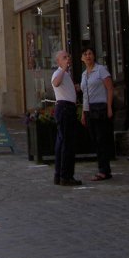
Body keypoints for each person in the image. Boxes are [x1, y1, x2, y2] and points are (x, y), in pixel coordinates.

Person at [80, 46, 114, 181]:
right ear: (82, 58)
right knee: (94, 139)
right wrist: (83, 112)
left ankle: (104, 170)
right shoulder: (84, 74)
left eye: (90, 53)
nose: (88, 56)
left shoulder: (101, 70)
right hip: (89, 109)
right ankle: (103, 168)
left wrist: (109, 107)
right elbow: (85, 95)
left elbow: (110, 88)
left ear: (94, 56)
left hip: (100, 108)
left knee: (101, 139)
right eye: (85, 54)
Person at [51, 50, 82, 187]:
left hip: (67, 108)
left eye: (68, 56)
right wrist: (63, 69)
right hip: (64, 109)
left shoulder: (66, 74)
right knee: (67, 144)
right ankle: (66, 176)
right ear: (58, 61)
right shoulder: (59, 72)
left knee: (62, 143)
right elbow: (56, 83)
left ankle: (59, 175)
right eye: (64, 57)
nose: (67, 59)